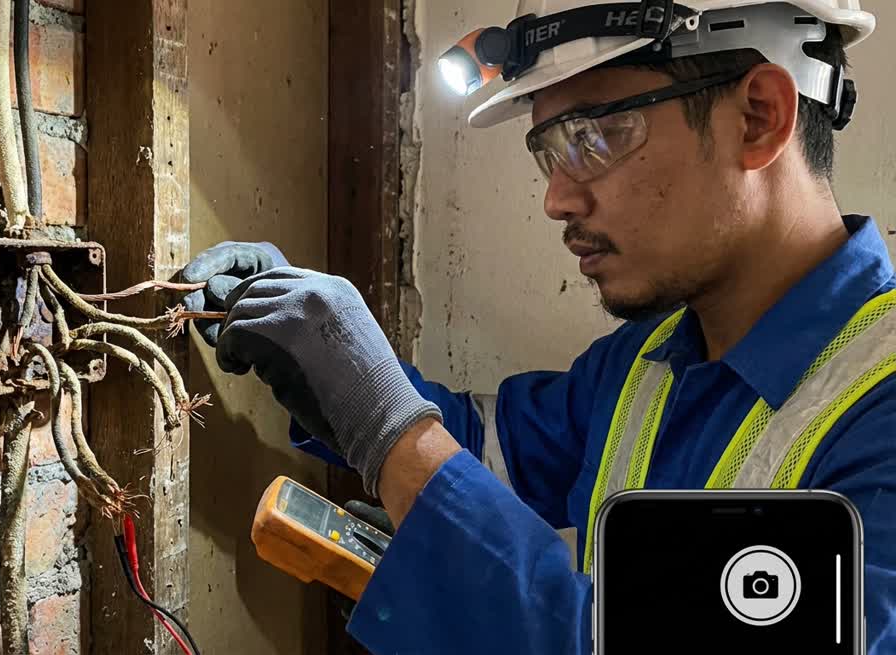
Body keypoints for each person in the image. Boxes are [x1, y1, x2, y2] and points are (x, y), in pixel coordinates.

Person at [180, 1, 896, 652]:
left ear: (759, 117)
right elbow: (491, 453)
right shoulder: (648, 361)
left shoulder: (879, 416)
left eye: (597, 136)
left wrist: (388, 427)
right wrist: (329, 367)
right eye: (549, 149)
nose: (556, 198)